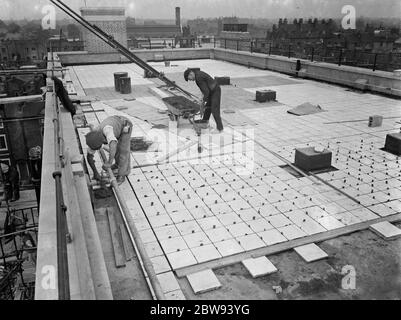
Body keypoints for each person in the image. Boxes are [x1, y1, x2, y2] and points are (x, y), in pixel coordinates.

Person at [85, 116, 133, 185]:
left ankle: (122, 176)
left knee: (122, 152)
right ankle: (117, 165)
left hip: (125, 125)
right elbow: (89, 157)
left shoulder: (107, 130)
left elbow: (113, 146)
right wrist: (95, 173)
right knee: (116, 150)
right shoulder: (93, 140)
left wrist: (109, 163)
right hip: (115, 125)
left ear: (101, 140)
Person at [184, 68, 224, 133]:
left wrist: (203, 101)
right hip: (212, 90)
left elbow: (206, 92)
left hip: (215, 91)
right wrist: (202, 99)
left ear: (191, 74)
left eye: (189, 79)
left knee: (214, 109)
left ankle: (220, 128)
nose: (191, 80)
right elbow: (204, 89)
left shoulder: (198, 78)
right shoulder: (198, 74)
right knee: (208, 107)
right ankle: (204, 122)